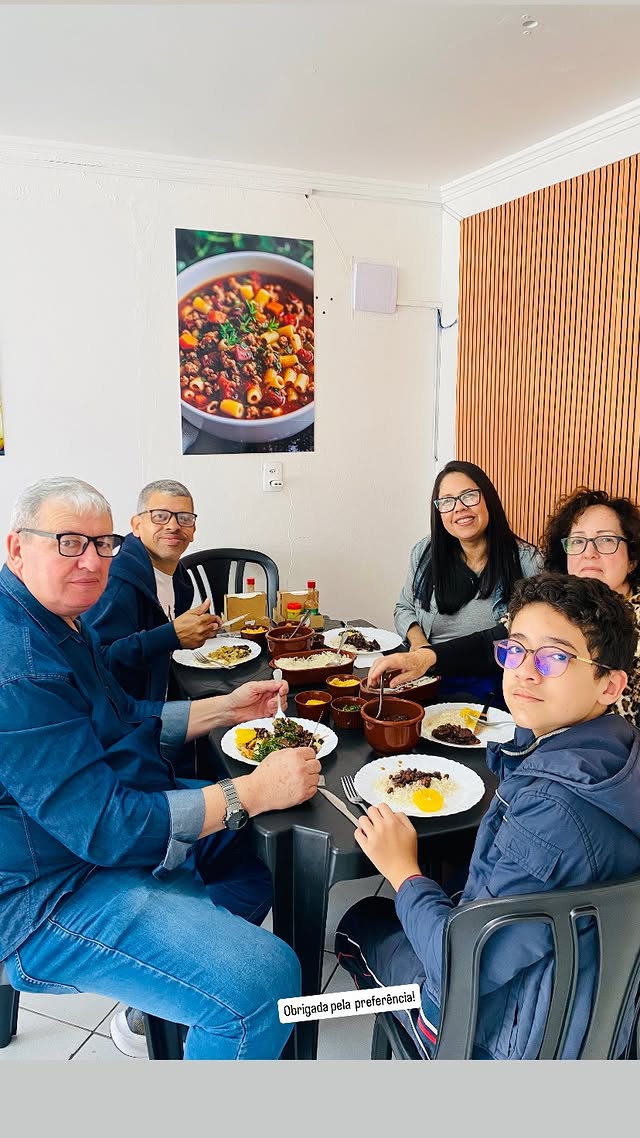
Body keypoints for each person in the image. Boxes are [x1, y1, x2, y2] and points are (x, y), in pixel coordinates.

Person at [0, 476, 320, 1060]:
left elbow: (125, 714)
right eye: (69, 542)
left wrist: (226, 707)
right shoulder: (20, 668)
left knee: (253, 861)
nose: (92, 561)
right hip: (45, 888)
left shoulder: (59, 619)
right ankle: (194, 991)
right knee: (266, 982)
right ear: (18, 547)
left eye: (103, 544)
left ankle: (169, 988)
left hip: (94, 828)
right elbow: (108, 827)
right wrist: (250, 791)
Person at [336, 573, 640, 1059]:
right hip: (597, 1021)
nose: (525, 672)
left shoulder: (552, 816)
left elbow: (462, 970)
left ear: (610, 684)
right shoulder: (619, 754)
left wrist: (403, 873)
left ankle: (416, 1034)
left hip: (493, 1037)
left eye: (555, 657)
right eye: (516, 649)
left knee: (360, 921)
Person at [374, 460, 542, 702]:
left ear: (488, 499)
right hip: (426, 676)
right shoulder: (425, 552)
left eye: (469, 496)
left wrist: (428, 657)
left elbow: (526, 635)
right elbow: (404, 607)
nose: (459, 508)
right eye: (447, 501)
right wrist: (420, 646)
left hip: (492, 686)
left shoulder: (527, 562)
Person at [85, 478, 221, 703]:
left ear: (193, 530)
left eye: (184, 518)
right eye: (160, 516)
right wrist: (170, 636)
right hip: (124, 713)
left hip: (163, 698)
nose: (173, 526)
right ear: (137, 525)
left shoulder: (180, 578)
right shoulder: (116, 583)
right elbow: (93, 663)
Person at [541, 487, 640, 726]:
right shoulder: (554, 605)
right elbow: (492, 640)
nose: (589, 553)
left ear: (632, 560)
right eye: (578, 541)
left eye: (606, 540)